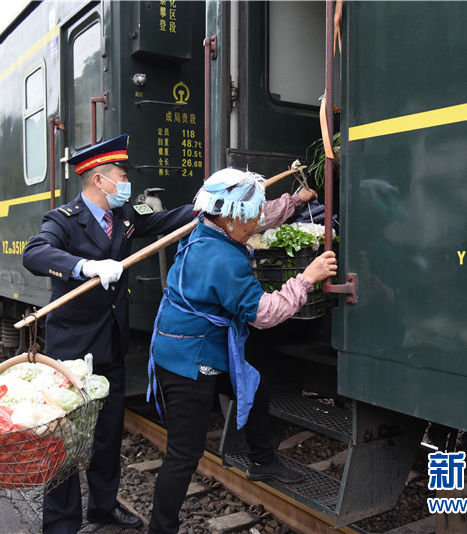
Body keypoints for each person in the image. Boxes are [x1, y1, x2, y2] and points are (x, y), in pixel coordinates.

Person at [146, 168, 338, 534]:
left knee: (256, 387)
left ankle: (261, 460)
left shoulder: (210, 221)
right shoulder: (223, 259)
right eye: (250, 218)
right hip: (189, 362)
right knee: (184, 456)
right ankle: (161, 529)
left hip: (192, 346)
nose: (255, 225)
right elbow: (265, 314)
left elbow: (260, 215)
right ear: (232, 216)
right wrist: (308, 278)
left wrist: (297, 201)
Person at [22, 134, 195, 533]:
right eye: (121, 175)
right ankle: (63, 522)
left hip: (111, 347)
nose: (126, 182)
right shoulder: (62, 220)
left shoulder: (125, 217)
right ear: (100, 180)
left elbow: (162, 222)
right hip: (72, 352)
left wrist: (199, 207)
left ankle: (102, 506)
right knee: (64, 438)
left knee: (108, 433)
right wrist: (85, 266)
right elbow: (35, 253)